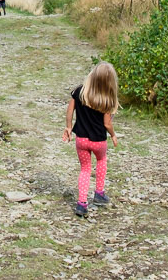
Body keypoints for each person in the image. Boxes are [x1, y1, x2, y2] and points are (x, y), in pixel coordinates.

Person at [63, 61, 119, 217]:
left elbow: (70, 111)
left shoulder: (80, 92)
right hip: (99, 141)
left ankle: (81, 204)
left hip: (81, 140)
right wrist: (113, 135)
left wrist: (68, 127)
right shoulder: (107, 99)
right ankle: (99, 193)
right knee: (101, 161)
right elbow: (107, 123)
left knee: (85, 169)